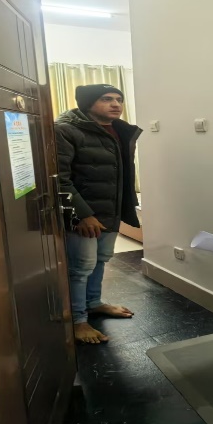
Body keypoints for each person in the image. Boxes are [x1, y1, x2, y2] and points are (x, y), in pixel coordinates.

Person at [55, 84, 142, 344]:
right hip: (83, 216)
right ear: (87, 103)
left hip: (109, 211)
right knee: (80, 268)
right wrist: (82, 215)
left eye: (119, 99)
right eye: (106, 99)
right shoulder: (65, 130)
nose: (116, 104)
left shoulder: (119, 130)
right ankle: (78, 321)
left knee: (101, 260)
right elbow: (59, 178)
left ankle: (93, 303)